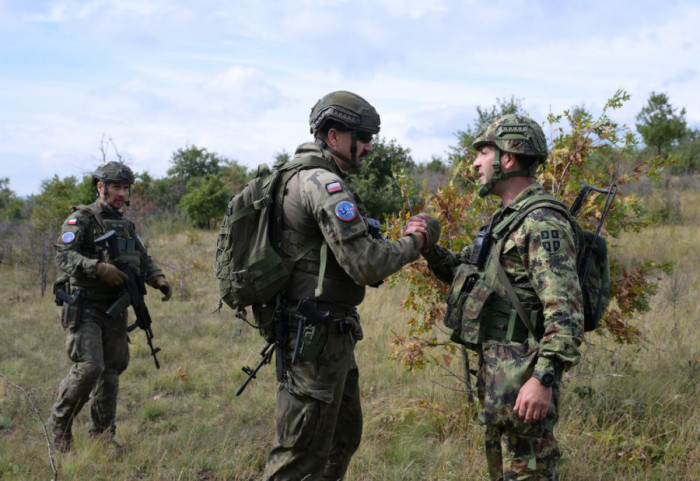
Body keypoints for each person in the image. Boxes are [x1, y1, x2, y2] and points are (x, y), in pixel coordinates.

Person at [261, 90, 440, 480]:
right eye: (363, 136)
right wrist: (417, 241)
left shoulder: (301, 176)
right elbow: (366, 265)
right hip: (314, 336)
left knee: (341, 438)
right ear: (333, 136)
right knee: (298, 455)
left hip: (329, 333)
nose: (370, 146)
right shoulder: (323, 184)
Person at [408, 114, 584, 480]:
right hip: (503, 372)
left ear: (508, 159)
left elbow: (565, 312)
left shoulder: (542, 223)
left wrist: (544, 379)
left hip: (526, 374)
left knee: (530, 470)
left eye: (484, 152)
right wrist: (427, 247)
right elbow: (468, 276)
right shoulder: (506, 220)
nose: (475, 163)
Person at [48, 161, 172, 452]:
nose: (121, 193)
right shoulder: (82, 219)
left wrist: (158, 278)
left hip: (115, 308)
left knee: (113, 369)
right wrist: (97, 268)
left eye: (125, 187)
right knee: (91, 367)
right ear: (100, 187)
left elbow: (141, 257)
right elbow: (63, 256)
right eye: (116, 186)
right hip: (86, 305)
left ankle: (102, 436)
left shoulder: (126, 224)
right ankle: (60, 424)